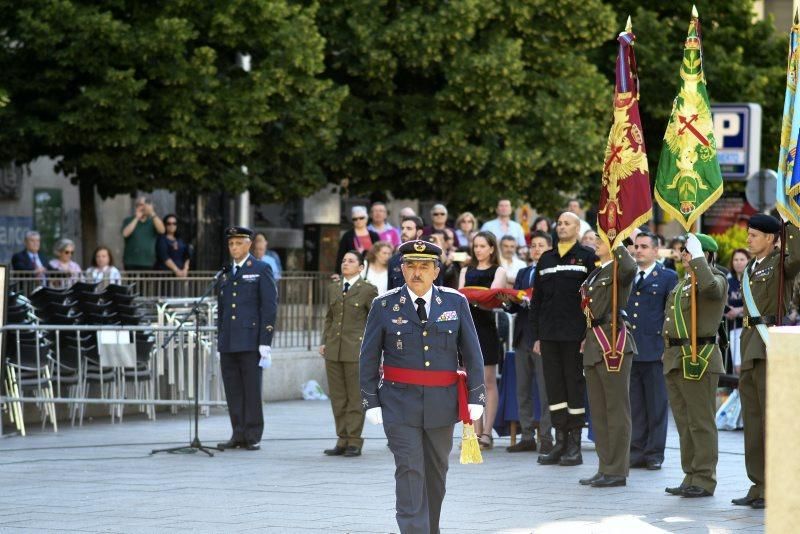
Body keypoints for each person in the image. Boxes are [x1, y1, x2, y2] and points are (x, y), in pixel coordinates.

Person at [360, 240, 485, 534]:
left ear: (436, 270)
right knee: (409, 469)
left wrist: (477, 395)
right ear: (401, 269)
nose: (417, 272)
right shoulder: (384, 305)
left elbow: (472, 352)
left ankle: (431, 528)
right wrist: (370, 401)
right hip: (398, 403)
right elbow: (367, 356)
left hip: (442, 404)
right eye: (411, 266)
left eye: (424, 266)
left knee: (436, 473)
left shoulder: (455, 303)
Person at [734, 215, 800, 509]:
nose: (748, 239)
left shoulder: (782, 263)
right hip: (750, 346)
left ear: (772, 239)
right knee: (753, 421)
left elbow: (797, 256)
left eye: (755, 235)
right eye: (749, 234)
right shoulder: (749, 268)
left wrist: (794, 223)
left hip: (769, 344)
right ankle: (758, 483)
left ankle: (777, 485)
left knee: (772, 421)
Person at [663, 234, 727, 499]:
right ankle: (690, 474)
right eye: (684, 251)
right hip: (678, 355)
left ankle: (704, 477)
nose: (684, 256)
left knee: (701, 421)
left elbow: (711, 288)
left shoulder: (715, 280)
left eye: (688, 251)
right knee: (684, 422)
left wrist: (700, 258)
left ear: (705, 254)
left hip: (698, 356)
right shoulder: (681, 285)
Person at [531, 211, 598, 467]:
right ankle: (559, 442)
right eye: (558, 223)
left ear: (578, 228)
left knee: (574, 387)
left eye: (567, 223)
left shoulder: (587, 258)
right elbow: (537, 300)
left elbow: (591, 301)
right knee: (554, 388)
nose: (561, 226)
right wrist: (536, 335)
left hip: (574, 335)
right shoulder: (546, 259)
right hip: (549, 335)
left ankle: (574, 445)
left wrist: (587, 335)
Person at [579, 240, 637, 488]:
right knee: (599, 411)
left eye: (601, 238)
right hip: (595, 341)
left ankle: (617, 470)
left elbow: (630, 268)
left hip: (612, 340)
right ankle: (605, 466)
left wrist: (618, 243)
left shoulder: (619, 268)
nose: (595, 242)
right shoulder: (598, 271)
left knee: (616, 408)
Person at [216, 227, 278, 452]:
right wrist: (220, 338)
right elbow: (222, 310)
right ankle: (237, 432)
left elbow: (269, 306)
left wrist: (265, 340)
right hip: (229, 340)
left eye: (238, 243)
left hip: (251, 340)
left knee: (251, 389)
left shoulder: (261, 269)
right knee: (233, 389)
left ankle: (252, 434)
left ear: (249, 244)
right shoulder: (224, 273)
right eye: (231, 244)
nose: (234, 248)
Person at [626, 232, 678, 471]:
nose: (639, 250)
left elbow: (671, 314)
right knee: (635, 404)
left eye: (644, 247)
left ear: (656, 251)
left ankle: (654, 453)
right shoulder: (627, 275)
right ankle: (636, 451)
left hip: (655, 349)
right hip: (631, 349)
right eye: (636, 246)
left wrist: (667, 347)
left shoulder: (667, 277)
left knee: (656, 405)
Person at [320, 251, 378, 457]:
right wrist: (324, 341)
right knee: (337, 397)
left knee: (354, 396)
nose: (346, 263)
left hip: (356, 349)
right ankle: (342, 438)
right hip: (334, 349)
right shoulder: (334, 288)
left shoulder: (368, 290)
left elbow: (374, 321)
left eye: (351, 261)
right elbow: (329, 317)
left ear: (361, 268)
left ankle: (354, 440)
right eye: (343, 260)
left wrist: (373, 348)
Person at [506, 230, 554, 453]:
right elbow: (515, 304)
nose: (536, 249)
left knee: (545, 389)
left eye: (540, 245)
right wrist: (508, 302)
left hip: (544, 337)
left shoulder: (553, 272)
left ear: (550, 248)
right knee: (522, 388)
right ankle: (526, 435)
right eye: (533, 245)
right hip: (522, 336)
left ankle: (546, 436)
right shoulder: (523, 272)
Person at [458, 231, 506, 449]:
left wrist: (475, 298)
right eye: (475, 246)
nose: (478, 250)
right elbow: (460, 297)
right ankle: (475, 432)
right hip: (467, 328)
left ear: (492, 249)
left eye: (482, 246)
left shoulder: (499, 270)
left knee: (488, 381)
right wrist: (478, 298)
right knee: (471, 382)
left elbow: (492, 297)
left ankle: (487, 432)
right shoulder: (465, 270)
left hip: (486, 328)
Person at [121, 195, 165, 270]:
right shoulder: (128, 220)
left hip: (149, 262)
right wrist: (137, 218)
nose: (144, 207)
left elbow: (162, 231)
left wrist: (152, 213)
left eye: (146, 205)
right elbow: (125, 234)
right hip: (131, 262)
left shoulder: (153, 221)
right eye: (141, 205)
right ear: (136, 206)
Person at [725, 249, 750, 375]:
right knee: (737, 367)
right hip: (734, 328)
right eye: (736, 260)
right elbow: (724, 303)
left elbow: (758, 304)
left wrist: (739, 310)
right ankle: (738, 393)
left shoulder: (753, 280)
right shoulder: (728, 282)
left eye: (742, 259)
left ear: (748, 261)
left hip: (752, 328)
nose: (738, 263)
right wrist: (728, 310)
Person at [335, 206, 380, 274]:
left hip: (372, 271)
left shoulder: (374, 235)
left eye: (361, 218)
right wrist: (338, 273)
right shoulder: (347, 236)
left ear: (366, 218)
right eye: (355, 219)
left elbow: (379, 254)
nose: (358, 221)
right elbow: (341, 256)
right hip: (353, 271)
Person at [387, 216, 424, 291]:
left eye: (409, 228)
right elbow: (390, 292)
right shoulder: (394, 260)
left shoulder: (429, 259)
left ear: (419, 232)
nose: (404, 231)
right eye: (402, 228)